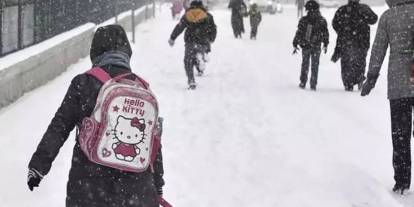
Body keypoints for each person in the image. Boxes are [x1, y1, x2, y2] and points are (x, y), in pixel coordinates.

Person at [27, 25, 165, 206]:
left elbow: (59, 126)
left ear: (95, 52)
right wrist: (157, 183)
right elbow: (153, 141)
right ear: (127, 53)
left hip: (89, 185)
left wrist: (38, 166)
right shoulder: (141, 89)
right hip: (136, 189)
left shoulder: (83, 83)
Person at [360, 0, 414, 195]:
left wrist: (371, 78)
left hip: (399, 85)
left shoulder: (388, 17)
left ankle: (402, 182)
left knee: (400, 135)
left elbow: (378, 50)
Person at [168, 0, 217, 89]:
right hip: (203, 42)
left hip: (190, 41)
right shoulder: (208, 16)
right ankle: (201, 59)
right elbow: (213, 28)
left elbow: (179, 27)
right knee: (199, 53)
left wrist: (172, 38)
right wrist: (211, 39)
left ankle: (191, 81)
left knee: (188, 60)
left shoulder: (187, 15)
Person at [332, 0, 377, 91]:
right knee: (360, 62)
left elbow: (335, 23)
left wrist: (342, 31)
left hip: (346, 42)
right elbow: (374, 19)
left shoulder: (342, 10)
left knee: (346, 63)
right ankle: (359, 78)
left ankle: (348, 83)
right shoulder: (364, 8)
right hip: (362, 42)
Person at [293, 0, 329, 91]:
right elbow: (325, 33)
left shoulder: (304, 20)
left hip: (306, 45)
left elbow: (299, 33)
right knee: (315, 65)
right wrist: (325, 43)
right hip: (316, 46)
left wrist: (295, 43)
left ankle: (303, 81)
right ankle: (313, 83)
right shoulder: (322, 20)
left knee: (305, 64)